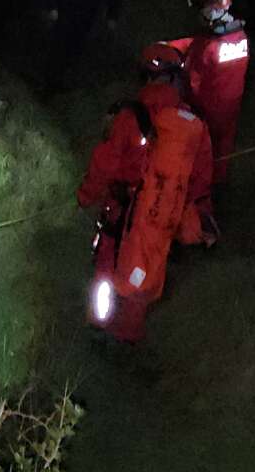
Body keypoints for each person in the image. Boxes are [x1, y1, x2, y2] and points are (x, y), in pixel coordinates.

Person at [79, 45, 214, 344]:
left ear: (146, 75)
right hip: (161, 213)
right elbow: (201, 176)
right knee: (147, 265)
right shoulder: (193, 122)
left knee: (107, 267)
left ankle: (99, 326)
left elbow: (104, 164)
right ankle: (128, 335)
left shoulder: (130, 114)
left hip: (121, 210)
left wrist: (85, 197)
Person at [174, 0, 250, 183]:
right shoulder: (241, 38)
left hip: (207, 107)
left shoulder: (207, 46)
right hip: (232, 101)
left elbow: (193, 78)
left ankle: (200, 185)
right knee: (224, 144)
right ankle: (220, 181)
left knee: (202, 146)